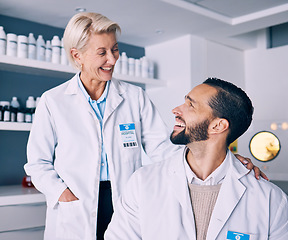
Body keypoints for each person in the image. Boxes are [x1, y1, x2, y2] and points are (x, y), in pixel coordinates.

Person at [24, 12, 264, 240]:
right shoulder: (53, 101)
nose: (112, 59)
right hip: (75, 203)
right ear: (77, 56)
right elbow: (37, 162)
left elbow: (162, 148)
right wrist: (62, 195)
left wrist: (221, 161)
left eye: (115, 49)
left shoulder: (133, 97)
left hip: (123, 198)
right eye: (102, 52)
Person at [105, 78, 288, 240]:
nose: (176, 110)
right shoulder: (142, 182)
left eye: (190, 105)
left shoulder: (271, 200)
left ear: (217, 125)